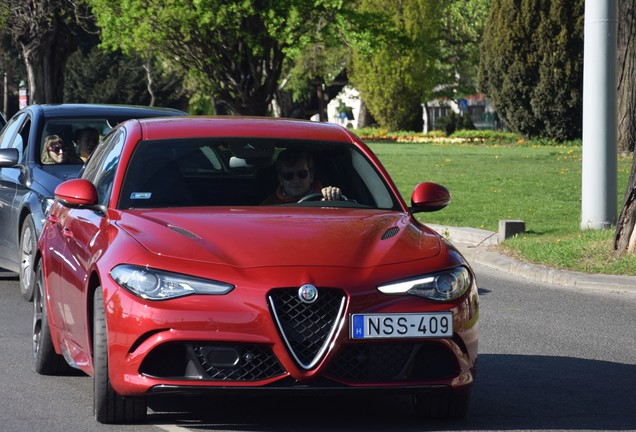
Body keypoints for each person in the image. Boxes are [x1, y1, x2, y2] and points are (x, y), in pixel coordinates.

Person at [261, 149, 343, 204]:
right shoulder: (268, 206)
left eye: (302, 174)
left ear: (311, 176)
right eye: (288, 176)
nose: (296, 180)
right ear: (281, 180)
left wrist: (334, 197)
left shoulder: (327, 198)